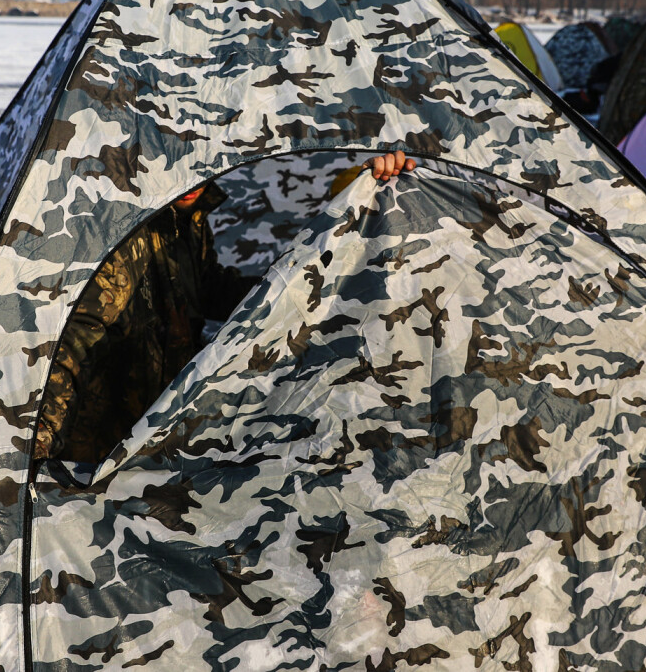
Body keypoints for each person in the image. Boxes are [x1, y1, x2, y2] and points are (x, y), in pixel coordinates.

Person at [33, 149, 416, 462]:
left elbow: (209, 287)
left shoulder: (187, 213)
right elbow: (71, 346)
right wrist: (40, 452)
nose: (184, 174)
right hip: (100, 455)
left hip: (158, 439)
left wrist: (357, 195)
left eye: (193, 157)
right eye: (169, 155)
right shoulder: (122, 228)